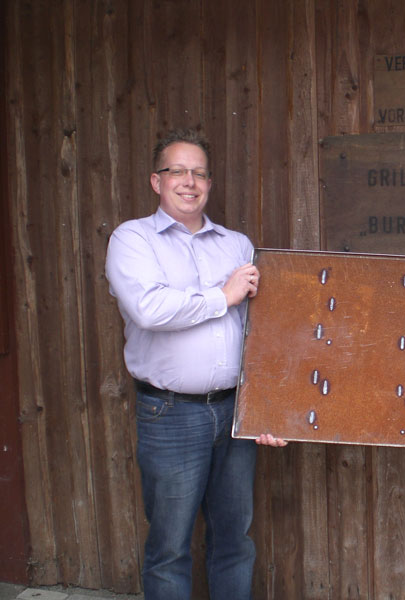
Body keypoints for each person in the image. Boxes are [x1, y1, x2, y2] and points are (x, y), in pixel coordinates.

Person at [106, 128, 286, 600]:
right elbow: (149, 308)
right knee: (169, 549)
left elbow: (263, 333)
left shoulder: (237, 246)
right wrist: (220, 296)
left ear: (209, 182)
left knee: (234, 541)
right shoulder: (133, 240)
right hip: (170, 414)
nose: (190, 181)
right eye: (177, 171)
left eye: (199, 172)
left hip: (235, 415)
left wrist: (267, 407)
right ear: (156, 181)